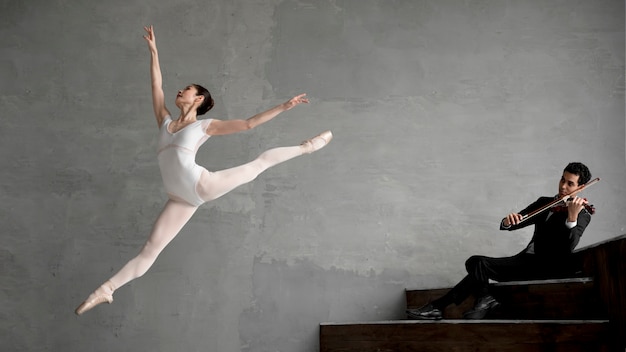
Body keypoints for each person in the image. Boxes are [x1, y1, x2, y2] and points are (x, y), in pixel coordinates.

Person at [75, 25, 333, 315]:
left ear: (198, 99)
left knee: (257, 164)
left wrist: (284, 106)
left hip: (201, 185)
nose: (180, 90)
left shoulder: (204, 126)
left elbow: (248, 124)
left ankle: (307, 147)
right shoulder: (164, 120)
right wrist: (154, 52)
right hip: (178, 198)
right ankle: (106, 290)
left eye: (186, 89)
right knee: (150, 249)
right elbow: (156, 87)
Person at [406, 162, 593, 320]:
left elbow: (569, 247)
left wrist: (572, 218)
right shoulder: (546, 202)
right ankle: (483, 297)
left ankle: (437, 306)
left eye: (570, 184)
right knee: (476, 262)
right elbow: (517, 221)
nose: (562, 187)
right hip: (524, 262)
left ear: (581, 187)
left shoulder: (582, 214)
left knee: (477, 270)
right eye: (562, 179)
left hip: (545, 268)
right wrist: (508, 221)